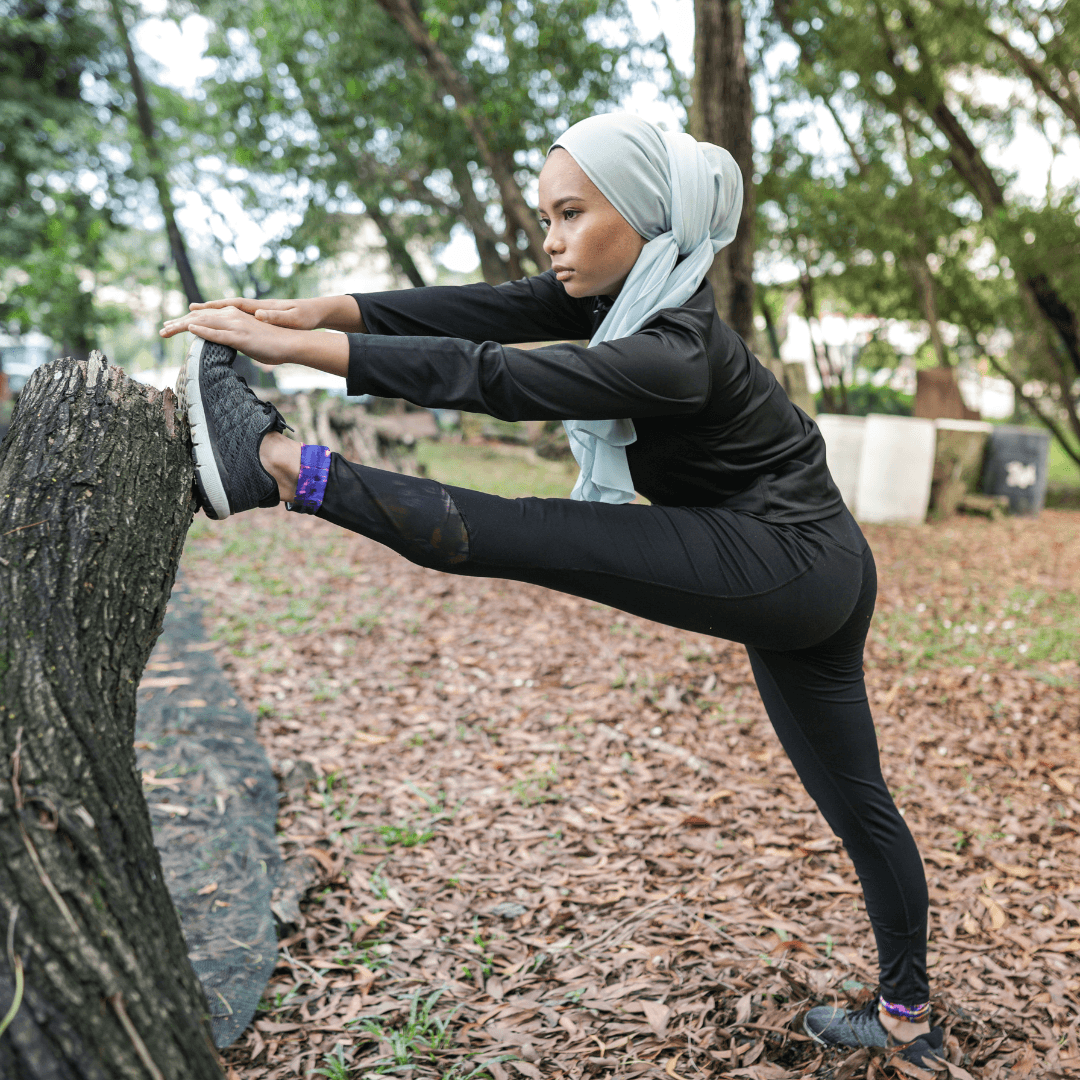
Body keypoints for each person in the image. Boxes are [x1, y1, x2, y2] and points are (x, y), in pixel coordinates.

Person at [161, 112, 941, 1067]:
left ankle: (277, 466)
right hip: (823, 564)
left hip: (788, 563)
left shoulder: (674, 349)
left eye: (572, 215)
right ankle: (908, 1017)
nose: (551, 242)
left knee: (525, 531)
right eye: (545, 218)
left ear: (643, 217)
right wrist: (314, 312)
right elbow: (478, 311)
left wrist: (291, 351)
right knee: (860, 806)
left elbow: (494, 379)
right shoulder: (628, 296)